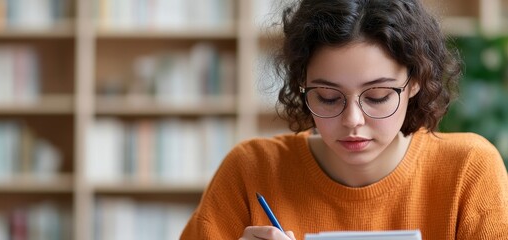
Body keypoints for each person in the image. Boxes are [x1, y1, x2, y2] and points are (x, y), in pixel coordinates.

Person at [181, 0, 508, 239]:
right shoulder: (250, 170)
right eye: (328, 97)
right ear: (302, 87)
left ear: (414, 83)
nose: (353, 120)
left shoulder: (467, 170)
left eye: (378, 96)